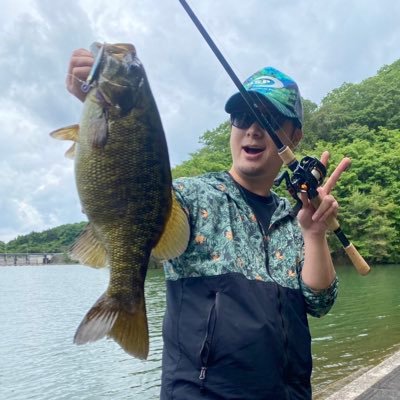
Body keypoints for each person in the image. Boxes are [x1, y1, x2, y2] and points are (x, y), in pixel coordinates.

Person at [67, 48, 349, 400]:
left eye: (270, 118)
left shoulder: (295, 219)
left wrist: (315, 232)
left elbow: (319, 303)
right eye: (242, 115)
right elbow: (125, 188)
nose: (253, 129)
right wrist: (98, 113)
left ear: (294, 136)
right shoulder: (188, 198)